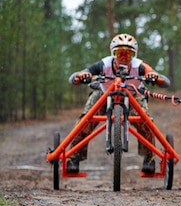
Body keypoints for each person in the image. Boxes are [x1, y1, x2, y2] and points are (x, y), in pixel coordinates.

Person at [66, 33, 170, 174]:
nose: (123, 58)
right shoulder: (103, 64)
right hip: (104, 93)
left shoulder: (139, 66)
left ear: (134, 55)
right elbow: (75, 77)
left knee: (145, 121)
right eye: (119, 53)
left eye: (128, 55)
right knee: (85, 121)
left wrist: (155, 77)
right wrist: (81, 76)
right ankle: (74, 158)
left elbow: (164, 81)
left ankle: (149, 158)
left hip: (133, 94)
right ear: (112, 53)